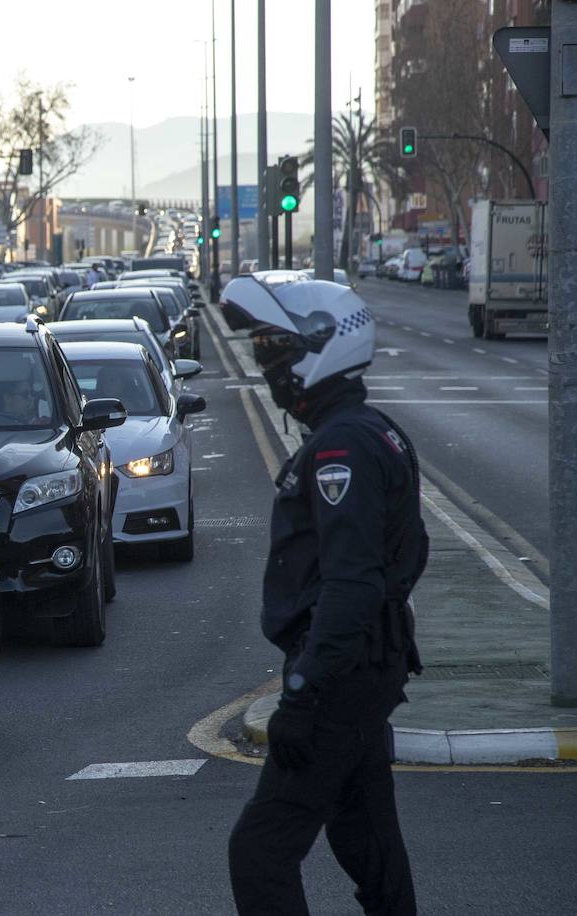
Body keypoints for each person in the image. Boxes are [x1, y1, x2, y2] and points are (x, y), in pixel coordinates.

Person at [219, 277, 428, 916]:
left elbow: (352, 583)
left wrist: (304, 692)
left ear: (323, 346)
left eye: (275, 349)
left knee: (260, 851)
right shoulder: (370, 431)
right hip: (365, 664)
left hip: (341, 674)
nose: (268, 365)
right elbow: (411, 552)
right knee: (366, 839)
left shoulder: (342, 446)